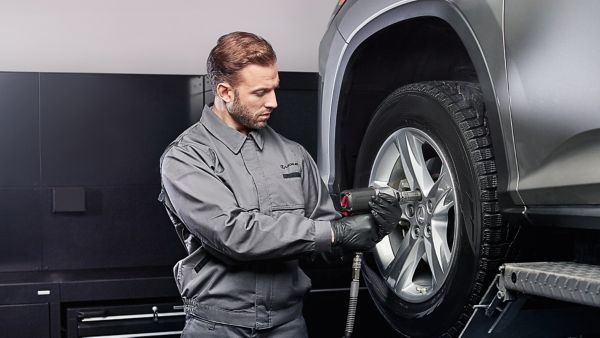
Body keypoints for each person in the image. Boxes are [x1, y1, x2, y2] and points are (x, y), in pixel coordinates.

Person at [158, 31, 402, 337]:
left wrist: (373, 228)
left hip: (289, 324)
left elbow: (325, 243)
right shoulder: (186, 157)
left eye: (274, 89)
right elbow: (233, 235)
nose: (273, 102)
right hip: (218, 327)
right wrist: (334, 232)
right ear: (224, 91)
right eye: (260, 93)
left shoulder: (293, 154)